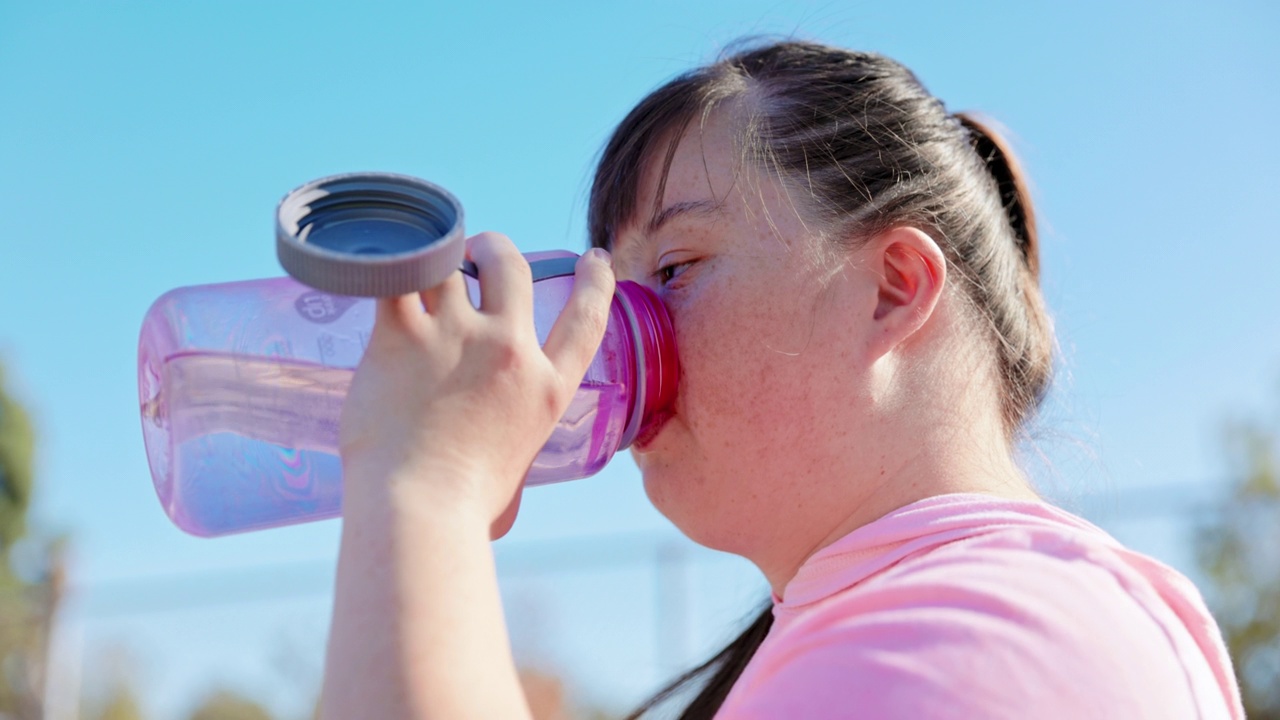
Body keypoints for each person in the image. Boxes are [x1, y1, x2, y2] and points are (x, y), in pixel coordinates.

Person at [317, 41, 1245, 719]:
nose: (611, 331)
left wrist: (425, 491)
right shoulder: (923, 620)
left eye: (673, 270)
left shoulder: (977, 637)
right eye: (611, 285)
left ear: (893, 288)